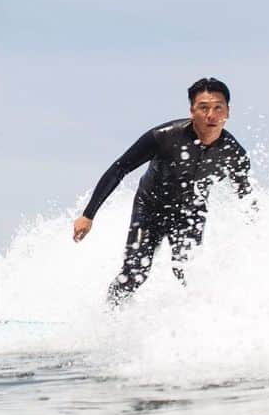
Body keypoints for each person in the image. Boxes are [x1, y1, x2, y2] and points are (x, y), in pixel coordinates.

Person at [72, 77, 254, 306]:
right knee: (135, 271)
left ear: (228, 112)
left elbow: (245, 196)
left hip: (191, 213)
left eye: (219, 108)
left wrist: (254, 232)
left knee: (189, 273)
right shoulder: (164, 136)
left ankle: (198, 327)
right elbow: (120, 168)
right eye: (204, 108)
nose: (211, 115)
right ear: (192, 110)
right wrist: (88, 215)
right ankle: (108, 317)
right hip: (150, 208)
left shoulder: (233, 153)